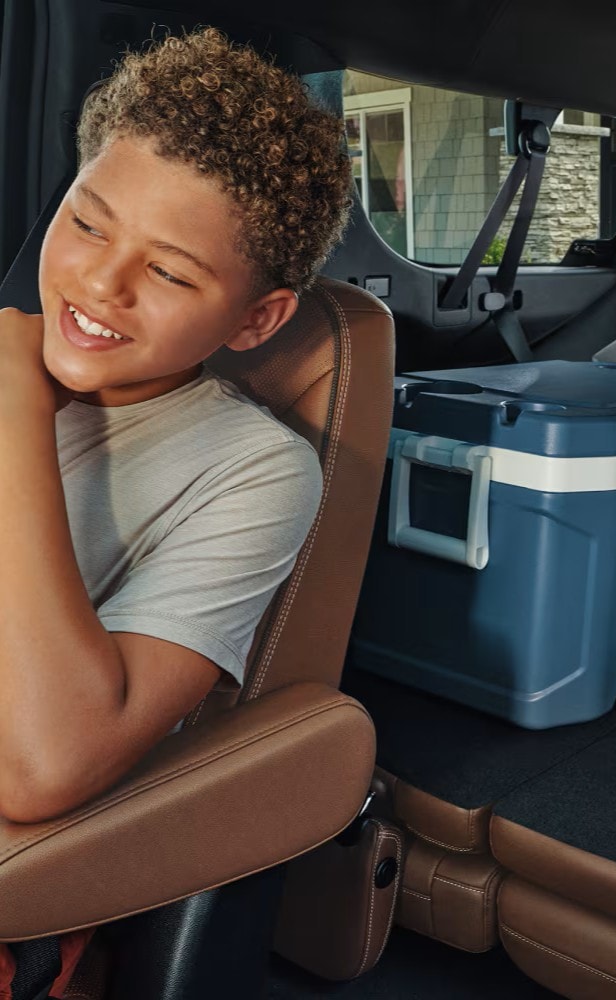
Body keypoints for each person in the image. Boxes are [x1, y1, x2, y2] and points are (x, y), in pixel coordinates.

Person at [0, 28, 350, 827]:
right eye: (88, 224)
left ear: (256, 319)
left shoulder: (254, 471)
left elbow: (43, 766)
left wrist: (14, 408)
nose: (102, 282)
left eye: (166, 271)